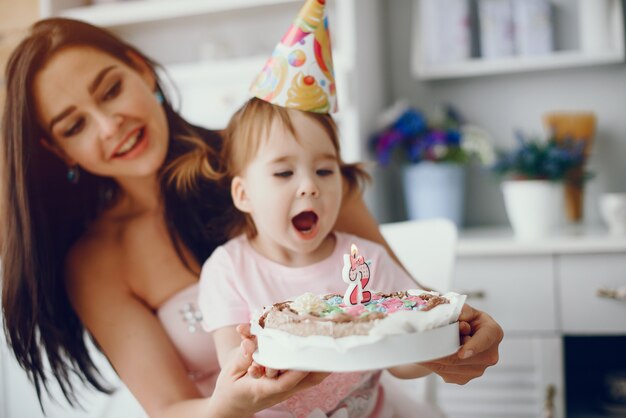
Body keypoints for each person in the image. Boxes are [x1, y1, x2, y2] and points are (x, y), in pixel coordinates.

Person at [0, 14, 502, 418]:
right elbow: (171, 408)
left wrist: (456, 346)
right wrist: (227, 408)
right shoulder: (97, 261)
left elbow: (402, 323)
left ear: (141, 69)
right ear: (57, 149)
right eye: (75, 125)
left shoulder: (294, 166)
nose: (111, 126)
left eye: (111, 90)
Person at [200, 96, 455, 418]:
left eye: (324, 170)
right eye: (283, 173)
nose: (309, 186)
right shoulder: (228, 270)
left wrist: (435, 341)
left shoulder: (367, 262)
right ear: (243, 194)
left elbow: (403, 366)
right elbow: (238, 372)